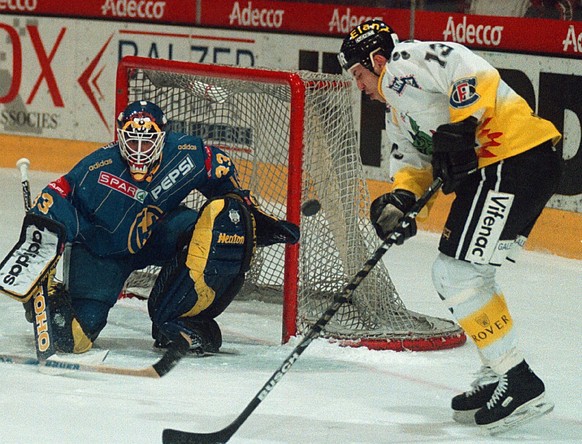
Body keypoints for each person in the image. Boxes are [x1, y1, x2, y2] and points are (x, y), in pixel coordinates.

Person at [338, 20, 561, 433]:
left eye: (359, 74)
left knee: (455, 272)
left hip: (512, 158)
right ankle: (500, 371)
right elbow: (411, 164)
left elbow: (465, 65)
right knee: (469, 273)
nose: (360, 85)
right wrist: (401, 201)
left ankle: (519, 379)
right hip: (509, 167)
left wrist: (464, 121)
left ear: (377, 59)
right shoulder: (399, 111)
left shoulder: (406, 61)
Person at [17, 100, 299, 355]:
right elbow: (52, 205)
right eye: (133, 141)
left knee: (223, 218)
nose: (139, 150)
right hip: (101, 253)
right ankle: (51, 299)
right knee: (71, 340)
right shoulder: (96, 169)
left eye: (147, 142)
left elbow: (223, 176)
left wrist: (251, 217)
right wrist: (38, 262)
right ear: (120, 138)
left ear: (162, 138)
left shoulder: (186, 155)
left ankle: (178, 318)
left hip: (157, 234)